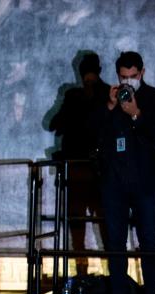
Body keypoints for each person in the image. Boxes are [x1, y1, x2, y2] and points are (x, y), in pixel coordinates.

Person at [93, 51, 155, 294]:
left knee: (148, 239)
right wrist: (110, 106)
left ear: (142, 73)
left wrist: (136, 113)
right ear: (118, 75)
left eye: (133, 76)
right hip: (113, 182)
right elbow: (91, 132)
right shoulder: (107, 98)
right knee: (115, 241)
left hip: (145, 181)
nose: (129, 81)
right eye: (124, 76)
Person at [47, 53, 110, 276]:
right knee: (83, 229)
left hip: (96, 171)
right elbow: (55, 124)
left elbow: (55, 124)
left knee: (101, 228)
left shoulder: (104, 94)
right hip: (83, 170)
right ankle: (89, 274)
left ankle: (107, 275)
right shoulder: (77, 95)